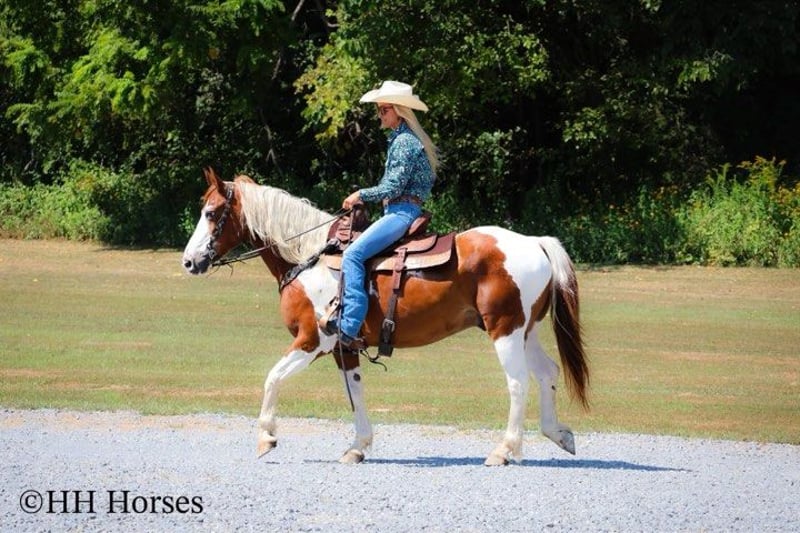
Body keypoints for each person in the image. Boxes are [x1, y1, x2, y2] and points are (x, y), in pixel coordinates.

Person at [320, 80, 439, 349]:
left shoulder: (405, 142)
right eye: (379, 110)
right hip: (400, 209)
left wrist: (360, 195)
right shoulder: (402, 139)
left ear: (399, 110)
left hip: (401, 213)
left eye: (384, 109)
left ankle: (349, 325)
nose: (380, 115)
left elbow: (393, 187)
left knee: (353, 254)